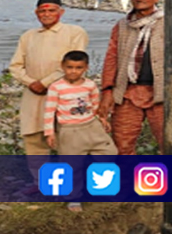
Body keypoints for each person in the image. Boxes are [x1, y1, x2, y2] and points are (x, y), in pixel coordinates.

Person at [8, 0, 88, 156]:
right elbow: (15, 66)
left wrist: (44, 83)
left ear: (61, 12)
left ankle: (72, 181)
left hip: (64, 95)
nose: (47, 15)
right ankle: (39, 180)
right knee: (34, 142)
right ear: (36, 13)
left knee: (67, 142)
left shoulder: (75, 32)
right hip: (33, 95)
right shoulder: (28, 36)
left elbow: (74, 65)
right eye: (42, 11)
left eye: (52, 11)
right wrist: (30, 83)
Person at [42, 50, 116, 212]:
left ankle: (104, 190)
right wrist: (49, 132)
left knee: (109, 154)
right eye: (69, 67)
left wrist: (102, 119)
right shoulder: (56, 87)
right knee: (71, 165)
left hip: (91, 126)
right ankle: (73, 198)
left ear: (86, 68)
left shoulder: (90, 85)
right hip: (70, 130)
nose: (73, 71)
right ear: (63, 67)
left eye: (78, 68)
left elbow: (96, 105)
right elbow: (49, 111)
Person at [100, 0, 165, 154]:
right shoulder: (122, 26)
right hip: (128, 93)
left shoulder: (167, 23)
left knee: (169, 143)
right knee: (122, 145)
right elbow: (111, 58)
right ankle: (129, 181)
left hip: (161, 93)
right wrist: (107, 91)